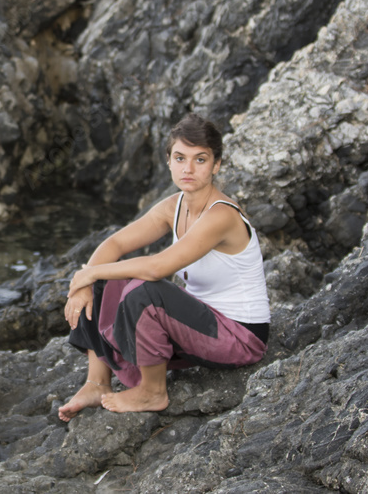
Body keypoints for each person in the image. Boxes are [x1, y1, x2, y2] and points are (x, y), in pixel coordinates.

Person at [58, 113, 270, 420]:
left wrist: (87, 273)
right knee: (106, 275)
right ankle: (97, 382)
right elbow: (115, 244)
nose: (188, 168)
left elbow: (157, 268)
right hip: (199, 324)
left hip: (239, 337)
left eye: (200, 159)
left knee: (145, 291)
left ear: (216, 165)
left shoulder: (222, 215)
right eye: (180, 158)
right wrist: (85, 282)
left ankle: (153, 392)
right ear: (168, 161)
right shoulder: (174, 206)